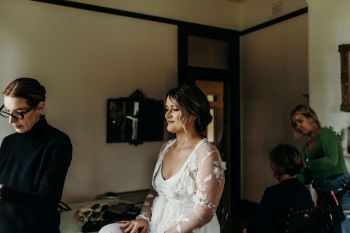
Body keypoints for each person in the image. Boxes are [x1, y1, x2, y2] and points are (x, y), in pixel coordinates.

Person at [99, 84, 226, 233]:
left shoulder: (207, 152)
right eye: (167, 108)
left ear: (193, 114)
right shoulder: (166, 147)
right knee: (108, 230)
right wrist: (143, 218)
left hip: (189, 229)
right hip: (157, 224)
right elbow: (154, 191)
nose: (167, 115)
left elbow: (204, 212)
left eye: (175, 109)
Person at [0, 77, 72, 233]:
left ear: (40, 107)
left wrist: (2, 192)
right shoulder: (8, 142)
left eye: (19, 113)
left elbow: (47, 201)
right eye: (7, 112)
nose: (11, 121)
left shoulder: (58, 143)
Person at [290, 104, 350, 233]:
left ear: (311, 118)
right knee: (325, 228)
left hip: (340, 189)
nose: (298, 126)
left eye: (300, 121)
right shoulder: (306, 147)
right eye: (295, 124)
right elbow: (310, 174)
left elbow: (331, 161)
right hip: (322, 193)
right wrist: (294, 179)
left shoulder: (325, 134)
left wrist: (309, 163)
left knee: (341, 227)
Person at [243, 144, 314, 233]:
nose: (270, 165)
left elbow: (259, 227)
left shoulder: (272, 193)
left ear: (280, 166)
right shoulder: (305, 191)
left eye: (272, 162)